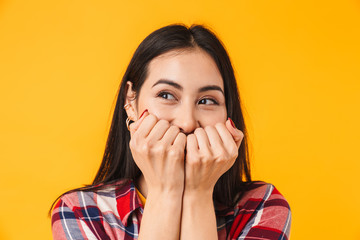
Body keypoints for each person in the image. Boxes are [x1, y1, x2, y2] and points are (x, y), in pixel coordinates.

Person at [51, 23, 291, 240]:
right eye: (166, 95)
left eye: (207, 100)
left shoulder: (262, 207)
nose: (187, 123)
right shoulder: (79, 211)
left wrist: (198, 194)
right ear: (131, 102)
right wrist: (165, 192)